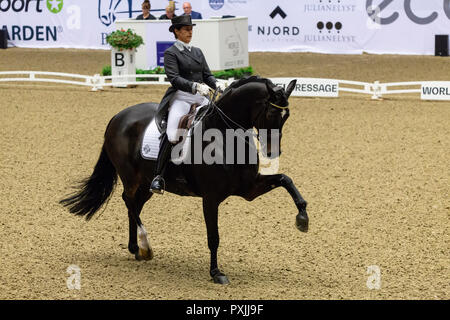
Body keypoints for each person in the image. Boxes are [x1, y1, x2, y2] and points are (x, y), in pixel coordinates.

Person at [150, 15, 226, 194]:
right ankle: (158, 176)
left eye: (191, 29)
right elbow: (174, 78)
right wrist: (194, 86)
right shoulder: (171, 53)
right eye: (185, 29)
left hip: (201, 97)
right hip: (182, 97)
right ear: (176, 31)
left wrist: (217, 84)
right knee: (172, 132)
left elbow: (207, 74)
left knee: (218, 121)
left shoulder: (198, 51)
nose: (189, 32)